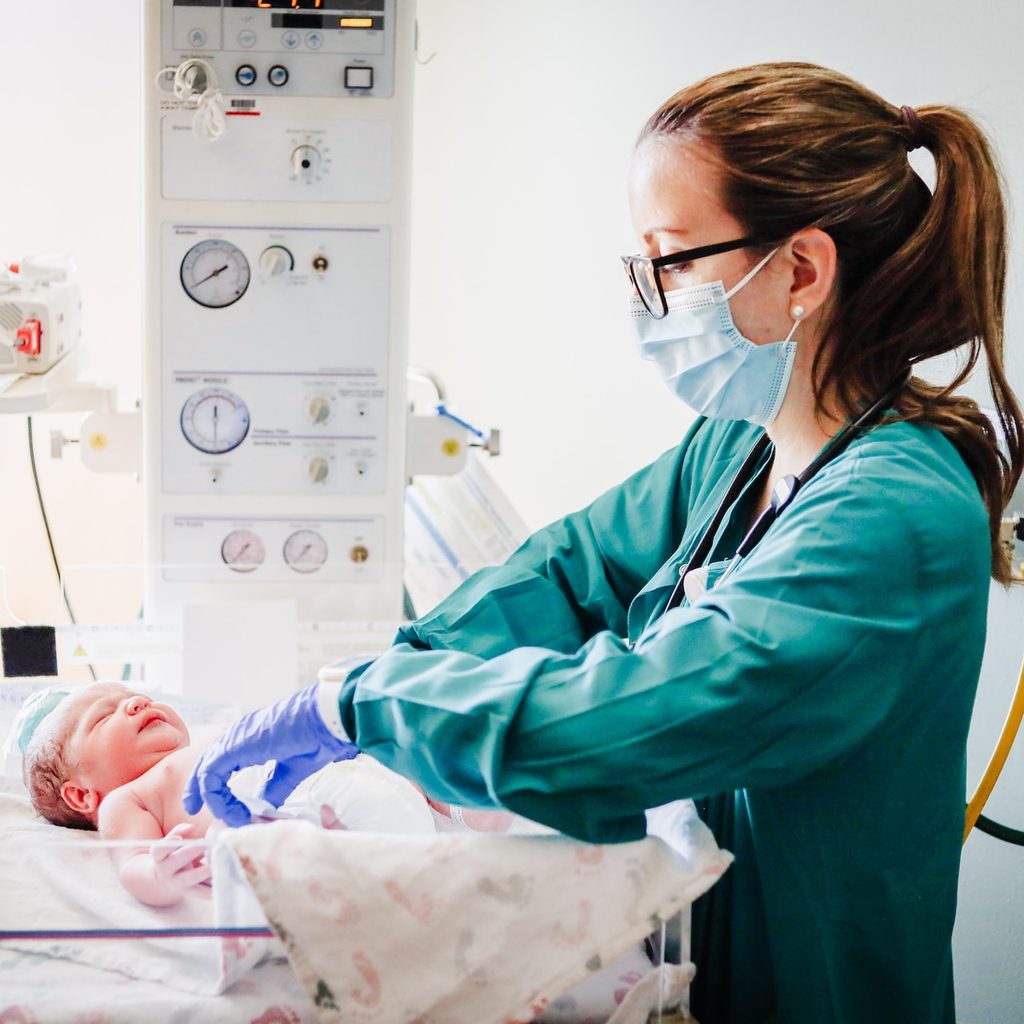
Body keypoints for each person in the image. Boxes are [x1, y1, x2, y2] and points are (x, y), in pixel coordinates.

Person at [184, 62, 1024, 1023]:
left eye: (670, 261)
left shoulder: (896, 519)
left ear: (801, 270)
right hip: (691, 957)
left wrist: (357, 705)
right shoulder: (741, 449)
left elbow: (623, 721)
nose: (648, 297)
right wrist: (398, 662)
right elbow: (572, 571)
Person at [17, 683, 511, 907]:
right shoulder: (132, 799)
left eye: (133, 696)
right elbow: (133, 867)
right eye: (104, 717)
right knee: (305, 832)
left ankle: (466, 804)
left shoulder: (218, 735)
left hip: (354, 782)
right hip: (299, 822)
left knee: (397, 754)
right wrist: (161, 873)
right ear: (82, 794)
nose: (135, 702)